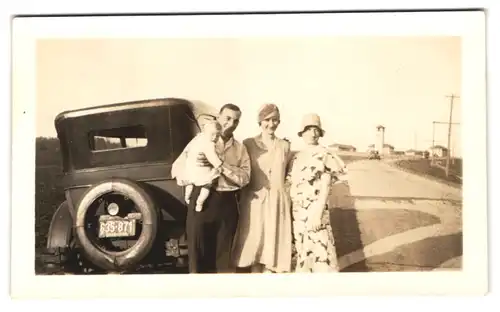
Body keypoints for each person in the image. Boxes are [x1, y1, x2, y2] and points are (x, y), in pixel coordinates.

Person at [172, 104, 251, 273]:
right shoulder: (200, 140)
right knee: (198, 255)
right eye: (227, 118)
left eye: (236, 121)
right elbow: (177, 168)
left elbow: (245, 178)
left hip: (227, 203)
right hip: (201, 200)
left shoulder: (240, 148)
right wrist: (195, 177)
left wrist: (224, 169)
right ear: (219, 117)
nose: (230, 123)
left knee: (223, 258)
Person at [231, 103, 293, 273]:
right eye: (267, 120)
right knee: (254, 244)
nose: (271, 124)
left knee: (272, 246)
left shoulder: (285, 146)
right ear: (260, 121)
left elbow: (288, 173)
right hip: (254, 200)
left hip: (277, 200)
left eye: (275, 120)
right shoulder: (248, 144)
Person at [286, 113, 347, 273]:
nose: (312, 134)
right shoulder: (297, 157)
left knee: (321, 252)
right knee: (303, 252)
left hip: (315, 211)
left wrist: (318, 213)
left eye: (316, 130)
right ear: (302, 132)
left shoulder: (325, 154)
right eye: (308, 129)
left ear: (320, 133)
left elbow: (326, 186)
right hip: (298, 213)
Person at [171, 118, 224, 212]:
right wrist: (218, 165)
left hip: (192, 169)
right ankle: (200, 202)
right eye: (213, 134)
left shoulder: (197, 139)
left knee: (190, 183)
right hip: (203, 170)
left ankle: (187, 197)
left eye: (217, 135)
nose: (215, 137)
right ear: (205, 132)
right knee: (208, 184)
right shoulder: (209, 144)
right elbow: (212, 157)